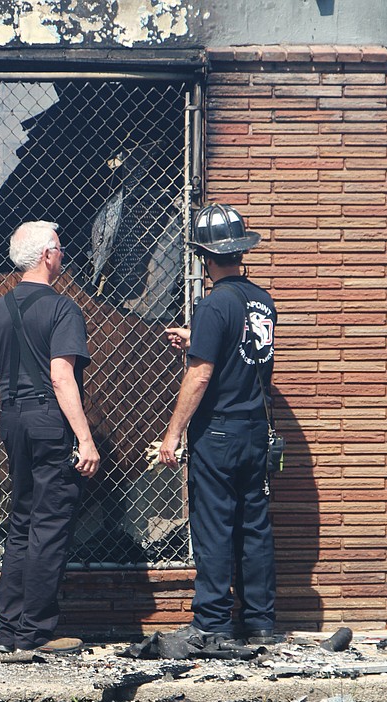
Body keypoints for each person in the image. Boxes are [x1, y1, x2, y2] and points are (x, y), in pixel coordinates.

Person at [0, 220, 101, 655]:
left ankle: (8, 629)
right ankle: (35, 633)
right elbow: (62, 376)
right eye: (60, 249)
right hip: (49, 422)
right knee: (49, 524)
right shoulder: (64, 309)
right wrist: (85, 439)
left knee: (22, 519)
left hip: (11, 422)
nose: (62, 255)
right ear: (47, 256)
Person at [159, 203, 279, 647]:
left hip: (219, 432)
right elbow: (244, 349)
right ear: (240, 252)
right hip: (254, 428)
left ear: (204, 257)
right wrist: (198, 338)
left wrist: (172, 434)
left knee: (213, 526)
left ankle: (211, 623)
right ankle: (261, 622)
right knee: (254, 525)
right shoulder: (261, 301)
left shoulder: (212, 305)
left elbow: (201, 374)